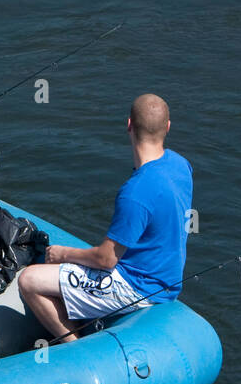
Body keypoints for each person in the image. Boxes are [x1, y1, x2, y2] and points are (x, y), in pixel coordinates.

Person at [18, 93, 193, 342]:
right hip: (168, 279)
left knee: (29, 280)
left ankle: (73, 345)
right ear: (167, 127)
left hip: (138, 287)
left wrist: (62, 254)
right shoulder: (181, 165)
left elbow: (106, 259)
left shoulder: (135, 192)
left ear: (129, 125)